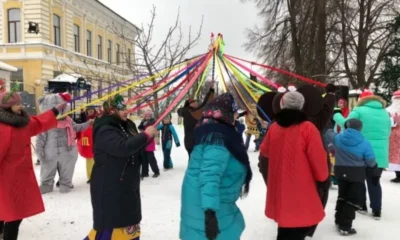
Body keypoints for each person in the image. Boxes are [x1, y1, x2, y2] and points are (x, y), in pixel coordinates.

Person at [180, 93, 252, 240]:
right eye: (234, 113)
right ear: (226, 113)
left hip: (209, 202)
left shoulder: (213, 130)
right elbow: (209, 175)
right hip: (210, 206)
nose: (236, 116)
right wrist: (210, 213)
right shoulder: (217, 138)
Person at [84, 94, 157, 240]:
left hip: (126, 185)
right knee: (110, 230)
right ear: (111, 111)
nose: (127, 111)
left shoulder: (127, 125)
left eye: (126, 107)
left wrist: (148, 139)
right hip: (109, 188)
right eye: (121, 109)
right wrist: (145, 136)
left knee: (128, 226)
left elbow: (135, 147)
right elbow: (122, 148)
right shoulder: (105, 129)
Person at [259, 91, 328, 240]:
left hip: (281, 187)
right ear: (301, 106)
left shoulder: (274, 127)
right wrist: (322, 177)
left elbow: (265, 151)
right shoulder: (308, 128)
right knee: (297, 229)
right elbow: (318, 159)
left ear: (282, 105)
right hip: (302, 189)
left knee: (285, 228)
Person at [0, 90, 65, 240]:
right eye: (17, 104)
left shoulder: (20, 122)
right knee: (14, 216)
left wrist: (54, 111)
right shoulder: (4, 129)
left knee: (10, 213)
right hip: (7, 180)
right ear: (7, 107)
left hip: (20, 178)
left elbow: (38, 123)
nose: (21, 106)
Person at [333, 90, 391, 219]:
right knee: (374, 181)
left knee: (359, 180)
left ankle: (361, 205)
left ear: (361, 100)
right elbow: (388, 133)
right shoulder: (385, 113)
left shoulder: (358, 111)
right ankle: (377, 210)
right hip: (380, 153)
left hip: (360, 151)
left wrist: (336, 114)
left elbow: (346, 125)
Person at [325, 119, 380, 235]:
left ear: (347, 125)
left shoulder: (338, 138)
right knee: (352, 199)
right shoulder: (365, 142)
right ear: (360, 128)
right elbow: (370, 161)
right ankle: (345, 226)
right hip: (357, 174)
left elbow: (328, 134)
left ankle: (338, 219)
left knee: (342, 195)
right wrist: (374, 171)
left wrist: (329, 124)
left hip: (340, 171)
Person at [36, 93, 93, 194]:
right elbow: (40, 138)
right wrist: (39, 151)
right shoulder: (45, 122)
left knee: (67, 168)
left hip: (67, 151)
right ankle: (46, 184)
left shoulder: (68, 120)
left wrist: (88, 123)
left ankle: (65, 183)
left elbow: (77, 127)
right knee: (47, 168)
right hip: (50, 152)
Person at [177, 87, 215, 157]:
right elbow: (205, 103)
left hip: (188, 141)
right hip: (194, 141)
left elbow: (179, 110)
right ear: (190, 104)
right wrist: (211, 92)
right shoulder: (193, 112)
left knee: (192, 159)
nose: (196, 103)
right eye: (194, 102)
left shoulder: (185, 111)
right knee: (195, 160)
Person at [77, 106, 98, 184]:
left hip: (95, 141)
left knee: (97, 160)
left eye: (92, 110)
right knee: (89, 160)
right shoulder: (84, 118)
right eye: (89, 110)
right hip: (87, 142)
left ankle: (98, 176)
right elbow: (80, 127)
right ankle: (90, 177)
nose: (90, 111)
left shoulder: (97, 118)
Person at [138, 109, 160, 178]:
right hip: (143, 142)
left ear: (151, 116)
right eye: (146, 115)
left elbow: (155, 129)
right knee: (144, 158)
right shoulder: (143, 121)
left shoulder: (152, 122)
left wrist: (157, 138)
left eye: (149, 115)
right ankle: (145, 172)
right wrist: (143, 123)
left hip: (150, 142)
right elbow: (140, 127)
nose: (147, 116)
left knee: (151, 158)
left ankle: (156, 171)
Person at [386, 89, 400, 183]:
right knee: (394, 156)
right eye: (396, 98)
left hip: (395, 135)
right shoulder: (389, 110)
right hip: (393, 135)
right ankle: (398, 174)